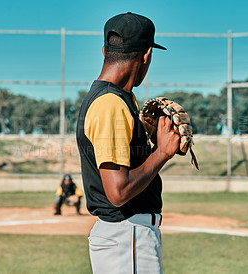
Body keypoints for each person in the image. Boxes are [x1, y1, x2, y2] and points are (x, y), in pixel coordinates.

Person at [76, 12, 180, 273]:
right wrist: (162, 153)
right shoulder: (111, 103)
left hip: (125, 238)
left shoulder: (118, 98)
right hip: (126, 237)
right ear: (146, 55)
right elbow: (118, 191)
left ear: (104, 50)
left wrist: (149, 140)